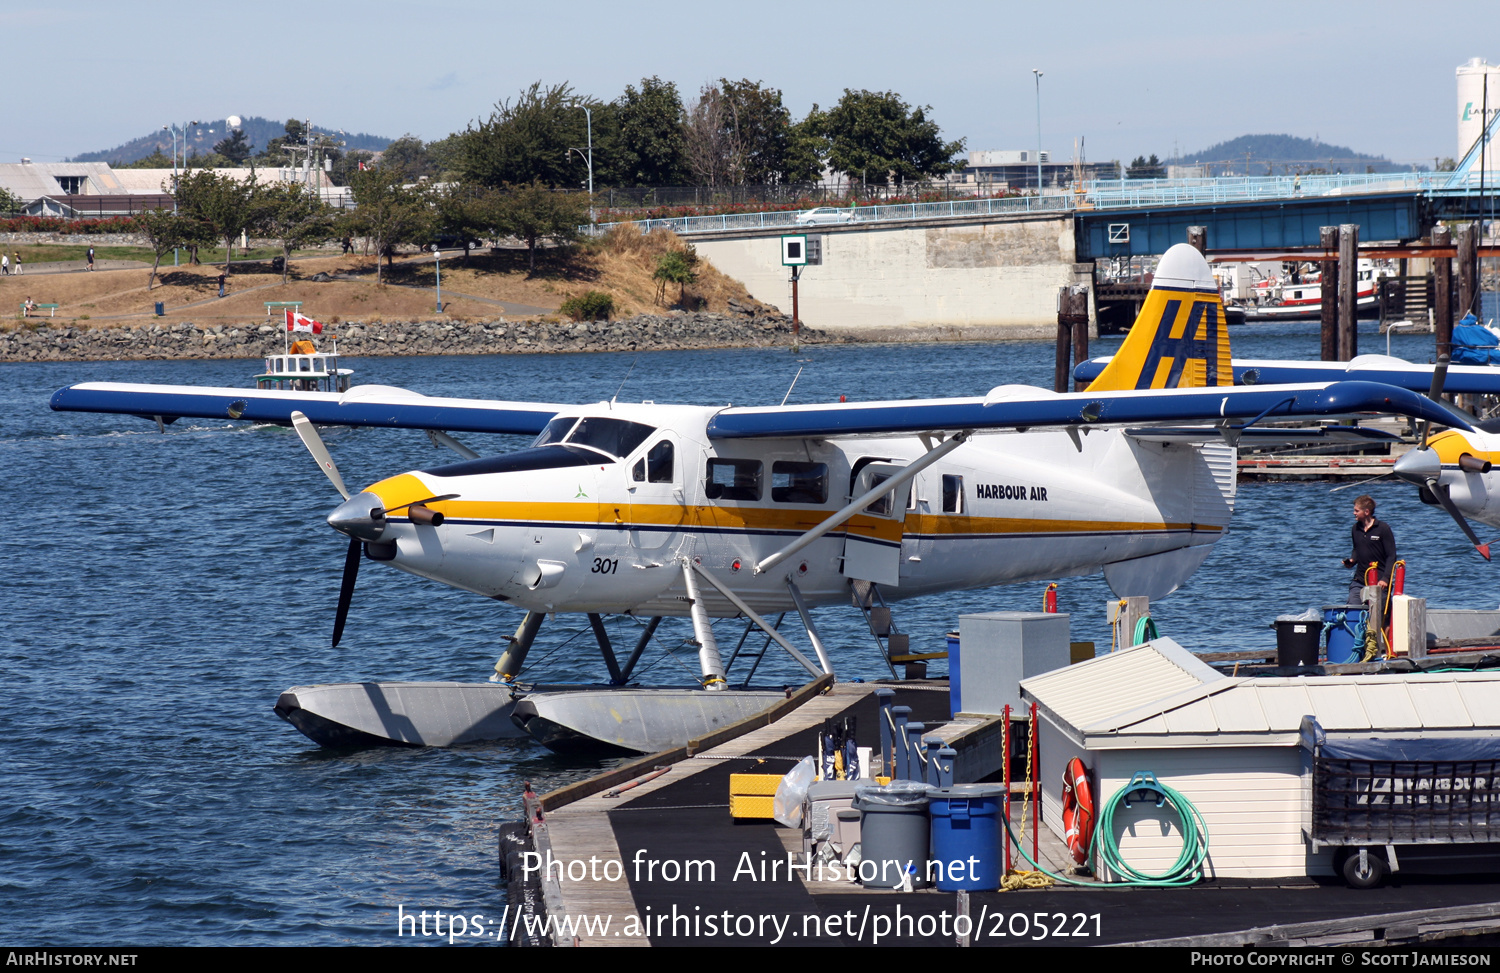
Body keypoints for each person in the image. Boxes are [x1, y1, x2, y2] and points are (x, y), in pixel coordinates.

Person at [1344, 494, 1396, 606]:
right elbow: (1356, 549)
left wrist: (1385, 579)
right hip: (1359, 580)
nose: (1354, 513)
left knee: (1378, 614)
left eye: (1356, 511)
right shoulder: (1355, 529)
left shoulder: (1383, 529)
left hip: (1379, 581)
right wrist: (1352, 561)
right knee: (1352, 608)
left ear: (1366, 512)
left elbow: (1391, 556)